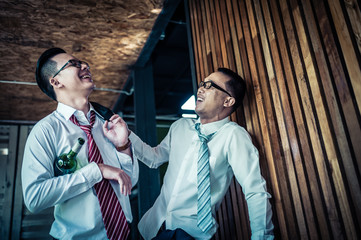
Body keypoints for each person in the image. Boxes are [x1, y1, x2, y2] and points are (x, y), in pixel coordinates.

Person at [126, 68, 274, 239]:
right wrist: (127, 136)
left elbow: (255, 191)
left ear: (228, 101)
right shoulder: (180, 126)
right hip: (152, 228)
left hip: (191, 234)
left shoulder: (233, 135)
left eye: (210, 86)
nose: (201, 88)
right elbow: (154, 158)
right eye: (202, 83)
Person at [21, 47, 139, 240]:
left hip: (126, 233)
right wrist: (96, 171)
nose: (85, 65)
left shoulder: (108, 124)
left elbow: (129, 183)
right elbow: (34, 198)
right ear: (56, 81)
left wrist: (123, 146)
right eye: (74, 64)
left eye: (83, 63)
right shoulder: (45, 131)